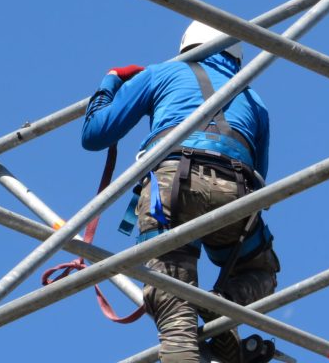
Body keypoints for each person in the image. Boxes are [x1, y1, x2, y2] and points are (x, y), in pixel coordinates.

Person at [80, 21, 281, 363]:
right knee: (259, 271)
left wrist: (111, 80)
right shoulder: (254, 98)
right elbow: (260, 177)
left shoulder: (162, 73)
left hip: (172, 188)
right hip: (236, 193)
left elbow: (95, 133)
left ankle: (199, 314)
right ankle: (224, 306)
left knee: (176, 318)